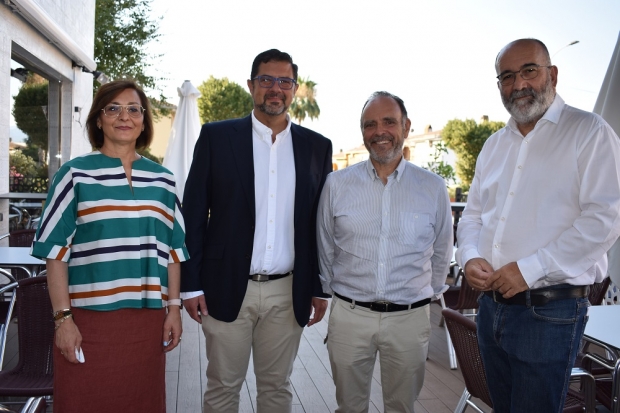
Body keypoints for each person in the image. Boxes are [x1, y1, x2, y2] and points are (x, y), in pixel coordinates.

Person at [456, 38, 620, 412]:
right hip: (490, 309)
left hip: (549, 312)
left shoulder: (589, 133)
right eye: (507, 77)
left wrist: (529, 270)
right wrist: (468, 256)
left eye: (529, 70)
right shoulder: (494, 145)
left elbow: (606, 218)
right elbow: (474, 216)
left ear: (553, 74)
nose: (519, 84)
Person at [181, 49, 332, 413]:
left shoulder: (317, 147)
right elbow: (194, 212)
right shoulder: (217, 137)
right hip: (224, 285)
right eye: (266, 80)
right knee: (221, 388)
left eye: (285, 81)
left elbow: (320, 223)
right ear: (251, 85)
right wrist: (191, 283)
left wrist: (319, 286)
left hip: (287, 291)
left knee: (277, 389)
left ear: (295, 89)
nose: (275, 88)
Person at [31, 79, 188, 413]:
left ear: (144, 121)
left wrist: (173, 309)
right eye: (113, 108)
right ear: (98, 119)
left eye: (134, 109)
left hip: (147, 324)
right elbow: (54, 252)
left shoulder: (164, 180)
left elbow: (174, 252)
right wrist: (63, 320)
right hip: (87, 322)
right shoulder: (73, 175)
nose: (124, 116)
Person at [317, 91, 453, 413]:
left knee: (401, 408)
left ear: (406, 126)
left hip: (409, 318)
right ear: (362, 132)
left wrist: (423, 295)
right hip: (350, 316)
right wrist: (328, 292)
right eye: (370, 124)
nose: (380, 131)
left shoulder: (433, 188)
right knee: (349, 407)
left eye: (389, 122)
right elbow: (325, 245)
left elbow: (442, 251)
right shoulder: (336, 185)